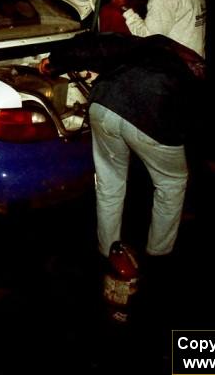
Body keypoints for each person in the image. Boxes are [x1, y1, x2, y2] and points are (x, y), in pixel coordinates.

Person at [40, 32, 205, 259]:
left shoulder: (153, 43)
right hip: (151, 113)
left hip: (104, 103)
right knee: (171, 182)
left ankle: (108, 250)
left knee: (110, 183)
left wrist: (54, 61)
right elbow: (189, 125)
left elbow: (93, 44)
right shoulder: (193, 75)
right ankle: (159, 252)